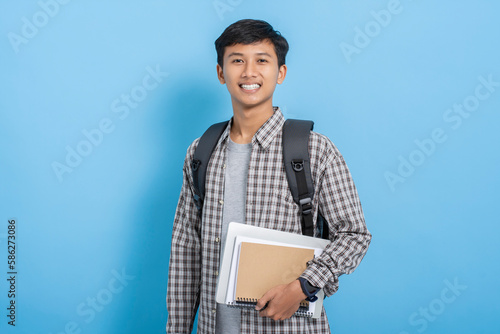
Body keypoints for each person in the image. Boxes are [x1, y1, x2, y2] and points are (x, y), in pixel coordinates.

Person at [166, 19, 371, 333]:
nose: (249, 72)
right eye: (237, 61)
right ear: (221, 73)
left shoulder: (314, 150)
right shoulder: (200, 152)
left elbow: (354, 235)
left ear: (281, 73)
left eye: (262, 60)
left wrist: (304, 286)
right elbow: (186, 250)